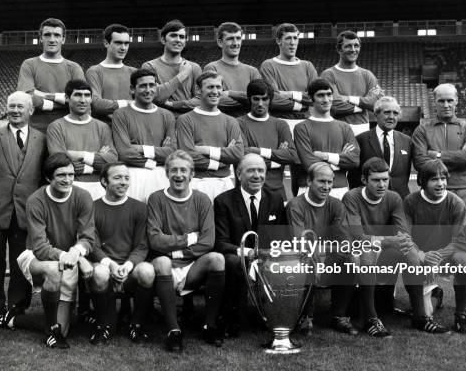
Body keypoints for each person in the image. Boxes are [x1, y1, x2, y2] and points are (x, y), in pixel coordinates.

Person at [8, 153, 95, 348]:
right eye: (61, 175)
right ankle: (51, 330)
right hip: (36, 257)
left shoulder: (83, 196)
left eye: (71, 174)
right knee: (54, 270)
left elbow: (88, 236)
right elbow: (40, 247)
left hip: (69, 259)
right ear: (49, 177)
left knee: (65, 328)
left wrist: (76, 254)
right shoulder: (36, 200)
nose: (67, 179)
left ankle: (15, 319)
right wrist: (69, 256)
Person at [0, 91, 46, 325]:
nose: (15, 110)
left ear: (31, 110)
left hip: (26, 211)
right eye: (11, 106)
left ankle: (17, 307)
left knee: (21, 262)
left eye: (20, 106)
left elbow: (42, 177)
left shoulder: (42, 139)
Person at [412, 83, 466, 314]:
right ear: (435, 102)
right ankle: (431, 291)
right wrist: (455, 158)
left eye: (450, 100)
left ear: (457, 100)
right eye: (441, 100)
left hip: (462, 192)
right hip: (431, 197)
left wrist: (438, 155)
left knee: (465, 245)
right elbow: (420, 162)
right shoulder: (423, 130)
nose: (446, 104)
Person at [147, 150, 225, 352]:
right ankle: (174, 330)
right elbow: (155, 240)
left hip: (192, 267)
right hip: (165, 265)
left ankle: (210, 325)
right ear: (167, 173)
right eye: (174, 170)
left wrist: (177, 252)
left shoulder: (202, 200)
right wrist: (189, 238)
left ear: (192, 174)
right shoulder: (156, 199)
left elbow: (207, 241)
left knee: (217, 259)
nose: (179, 175)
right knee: (162, 261)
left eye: (184, 170)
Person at [214, 153, 287, 336]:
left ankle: (273, 315)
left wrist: (268, 254)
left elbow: (283, 238)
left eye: (261, 170)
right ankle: (232, 318)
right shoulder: (223, 201)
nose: (257, 175)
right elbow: (221, 243)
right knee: (231, 261)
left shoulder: (276, 199)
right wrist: (250, 253)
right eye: (251, 170)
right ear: (239, 174)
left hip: (268, 257)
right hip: (239, 257)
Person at [342, 157, 413, 338]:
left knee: (411, 251)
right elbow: (357, 237)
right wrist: (388, 241)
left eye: (385, 179)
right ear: (364, 180)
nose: (382, 184)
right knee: (367, 251)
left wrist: (396, 242)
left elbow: (403, 233)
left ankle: (421, 313)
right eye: (376, 180)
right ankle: (370, 318)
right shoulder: (352, 197)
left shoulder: (394, 197)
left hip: (381, 247)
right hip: (356, 252)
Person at [400, 159, 466, 334]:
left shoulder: (456, 203)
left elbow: (460, 241)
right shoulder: (410, 201)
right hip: (419, 256)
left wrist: (437, 256)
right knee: (424, 313)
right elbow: (404, 235)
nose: (440, 183)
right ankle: (433, 297)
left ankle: (461, 315)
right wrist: (421, 254)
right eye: (434, 179)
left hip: (445, 256)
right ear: (423, 182)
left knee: (463, 260)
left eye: (443, 178)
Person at [87, 163, 155, 345]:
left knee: (148, 271)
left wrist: (126, 266)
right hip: (105, 266)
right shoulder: (92, 208)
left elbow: (142, 245)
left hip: (129, 268)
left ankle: (137, 325)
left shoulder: (140, 208)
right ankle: (104, 325)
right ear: (104, 181)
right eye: (117, 178)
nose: (123, 182)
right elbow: (91, 245)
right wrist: (111, 265)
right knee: (99, 273)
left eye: (126, 178)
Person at [285, 162, 355, 336]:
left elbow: (343, 241)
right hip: (300, 259)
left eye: (330, 182)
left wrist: (324, 250)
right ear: (309, 181)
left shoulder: (337, 205)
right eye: (321, 181)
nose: (326, 187)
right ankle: (305, 317)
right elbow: (299, 241)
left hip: (326, 256)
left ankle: (339, 315)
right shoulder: (295, 205)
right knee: (308, 257)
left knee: (349, 258)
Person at [176, 71, 244, 201]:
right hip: (196, 183)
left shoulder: (231, 121)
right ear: (198, 89)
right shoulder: (185, 120)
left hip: (225, 183)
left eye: (218, 87)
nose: (215, 91)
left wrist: (205, 150)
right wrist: (222, 161)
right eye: (210, 87)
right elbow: (188, 156)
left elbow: (238, 154)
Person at [46, 79, 118, 201]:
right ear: (67, 98)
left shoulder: (102, 127)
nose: (83, 100)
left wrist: (80, 155)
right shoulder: (56, 127)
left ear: (91, 99)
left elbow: (111, 162)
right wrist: (96, 161)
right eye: (78, 95)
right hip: (70, 186)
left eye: (87, 95)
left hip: (100, 187)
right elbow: (60, 164)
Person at [112, 69, 176, 202]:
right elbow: (124, 153)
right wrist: (156, 157)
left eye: (152, 85)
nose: (148, 90)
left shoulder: (167, 115)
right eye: (143, 86)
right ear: (132, 89)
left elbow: (172, 152)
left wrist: (140, 148)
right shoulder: (120, 114)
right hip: (134, 174)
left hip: (162, 175)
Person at [293, 78, 359, 200]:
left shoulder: (344, 127)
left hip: (340, 189)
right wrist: (340, 160)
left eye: (329, 94)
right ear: (311, 99)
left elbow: (354, 160)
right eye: (320, 95)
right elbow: (309, 164)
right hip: (310, 189)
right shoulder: (301, 128)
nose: (326, 99)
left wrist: (326, 156)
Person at [17, 18, 85, 132]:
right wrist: (62, 101)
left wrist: (44, 96)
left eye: (57, 35)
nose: (52, 39)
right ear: (41, 38)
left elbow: (80, 100)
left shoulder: (74, 68)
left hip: (68, 130)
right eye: (47, 35)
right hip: (36, 130)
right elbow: (26, 98)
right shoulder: (29, 64)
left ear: (63, 39)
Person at [237, 79, 297, 200]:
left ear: (270, 100)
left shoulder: (281, 125)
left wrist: (258, 151)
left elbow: (292, 156)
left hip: (277, 193)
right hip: (248, 193)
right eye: (256, 99)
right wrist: (278, 161)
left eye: (264, 99)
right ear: (249, 99)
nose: (260, 103)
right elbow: (243, 156)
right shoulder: (238, 123)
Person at [320, 30, 384, 136]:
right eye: (348, 46)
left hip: (363, 129)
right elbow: (335, 106)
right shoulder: (328, 75)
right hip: (337, 129)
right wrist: (364, 107)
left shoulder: (367, 75)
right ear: (339, 49)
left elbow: (378, 104)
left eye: (356, 46)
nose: (353, 50)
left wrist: (350, 99)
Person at [348, 96, 413, 199]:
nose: (391, 117)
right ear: (376, 114)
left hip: (400, 199)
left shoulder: (407, 141)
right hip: (369, 200)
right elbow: (353, 177)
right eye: (387, 112)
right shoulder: (361, 140)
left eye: (395, 113)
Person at [259, 23, 318, 128]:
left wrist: (290, 94)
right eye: (288, 38)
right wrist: (302, 106)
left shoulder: (308, 66)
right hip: (278, 123)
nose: (292, 42)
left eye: (295, 38)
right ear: (278, 41)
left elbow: (316, 97)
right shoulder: (268, 65)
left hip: (306, 123)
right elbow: (273, 100)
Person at [142, 19, 202, 115]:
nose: (178, 40)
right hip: (160, 121)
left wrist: (173, 104)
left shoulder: (194, 68)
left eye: (181, 37)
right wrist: (182, 75)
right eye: (173, 35)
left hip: (188, 122)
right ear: (163, 39)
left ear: (185, 41)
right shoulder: (149, 66)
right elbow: (155, 97)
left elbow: (200, 101)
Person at [85, 24, 136, 123]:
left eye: (126, 43)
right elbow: (96, 104)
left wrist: (111, 107)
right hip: (103, 130)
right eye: (118, 43)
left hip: (131, 129)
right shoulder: (94, 71)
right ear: (106, 43)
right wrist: (128, 103)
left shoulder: (134, 72)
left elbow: (143, 103)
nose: (123, 48)